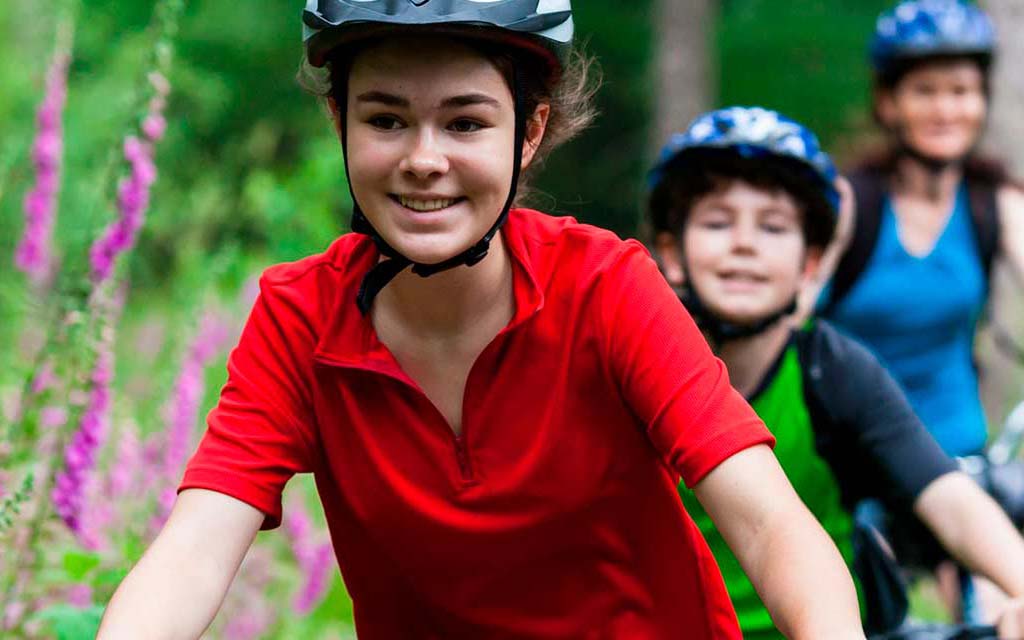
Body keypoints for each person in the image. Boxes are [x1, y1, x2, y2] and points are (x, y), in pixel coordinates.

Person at [97, 2, 866, 638]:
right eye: (386, 120)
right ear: (339, 120)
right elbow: (195, 551)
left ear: (528, 133)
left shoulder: (606, 287)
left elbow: (771, 526)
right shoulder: (301, 316)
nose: (424, 158)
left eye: (465, 123)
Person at [647, 106, 1024, 639]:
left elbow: (945, 494)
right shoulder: (634, 358)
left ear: (811, 263)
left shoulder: (833, 371)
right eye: (716, 222)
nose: (745, 243)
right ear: (672, 252)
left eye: (774, 227)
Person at [820, 0, 1024, 461]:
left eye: (961, 91)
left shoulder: (997, 205)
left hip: (959, 460)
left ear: (983, 100)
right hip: (848, 466)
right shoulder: (849, 205)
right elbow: (783, 324)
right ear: (888, 103)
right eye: (924, 91)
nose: (945, 109)